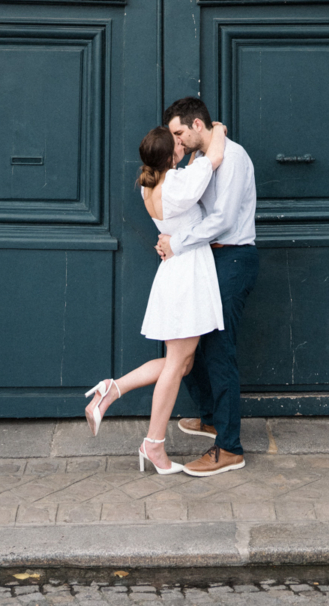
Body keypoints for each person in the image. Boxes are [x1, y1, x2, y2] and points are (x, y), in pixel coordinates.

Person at [84, 120, 228, 475]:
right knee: (178, 363)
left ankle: (112, 389)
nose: (182, 144)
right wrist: (219, 129)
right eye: (177, 143)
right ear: (171, 156)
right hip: (187, 276)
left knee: (182, 362)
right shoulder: (176, 183)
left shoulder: (150, 186)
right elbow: (215, 157)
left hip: (176, 275)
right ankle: (153, 443)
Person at [159, 96, 258, 477]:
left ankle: (230, 448)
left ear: (198, 125)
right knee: (191, 341)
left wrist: (177, 243)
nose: (177, 143)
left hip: (233, 259)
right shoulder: (202, 161)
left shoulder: (232, 158)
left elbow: (221, 219)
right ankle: (212, 417)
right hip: (207, 260)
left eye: (179, 133)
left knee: (219, 349)